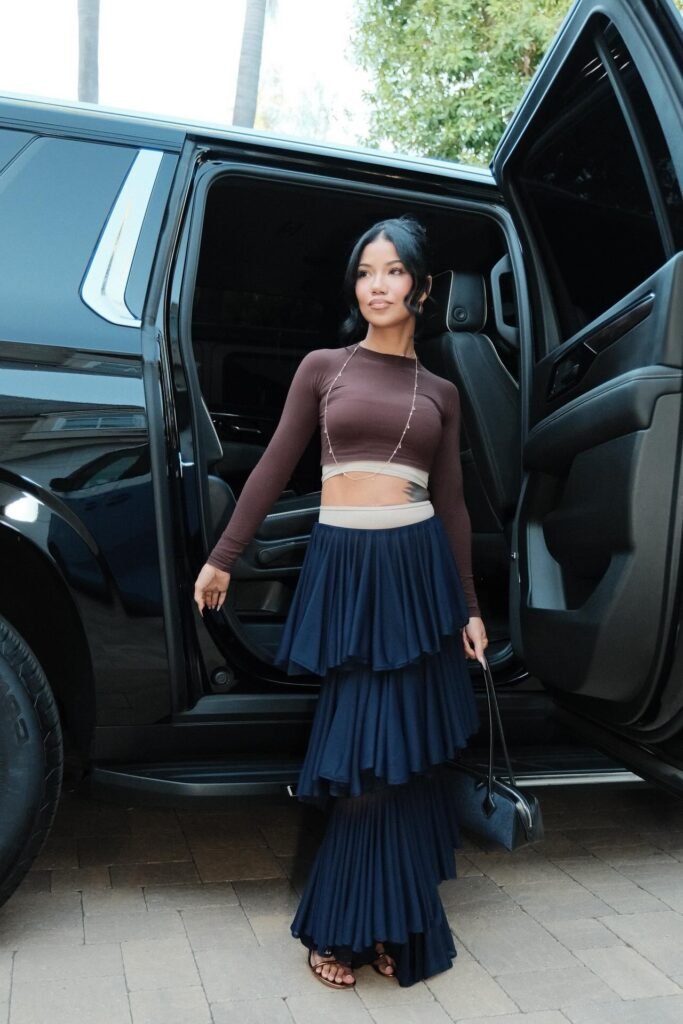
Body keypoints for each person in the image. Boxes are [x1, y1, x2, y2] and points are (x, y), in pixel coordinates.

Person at [194, 216, 487, 989]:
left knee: (407, 761)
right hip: (350, 570)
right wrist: (224, 555)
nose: (377, 286)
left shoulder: (442, 391)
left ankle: (390, 923)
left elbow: (453, 504)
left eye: (393, 273)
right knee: (366, 761)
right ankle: (342, 924)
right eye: (366, 273)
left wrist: (468, 606)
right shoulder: (324, 367)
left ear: (421, 288)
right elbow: (275, 467)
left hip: (417, 571)